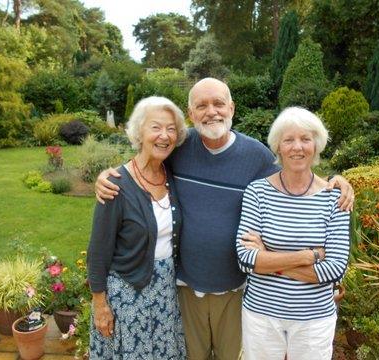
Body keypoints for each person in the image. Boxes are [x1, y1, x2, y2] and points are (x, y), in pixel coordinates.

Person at [95, 78, 354, 360]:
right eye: (202, 105)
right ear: (191, 113)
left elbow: (294, 173)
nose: (211, 112)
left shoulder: (257, 156)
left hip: (236, 291)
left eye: (218, 103)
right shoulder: (178, 147)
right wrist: (108, 175)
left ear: (232, 107)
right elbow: (146, 163)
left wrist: (336, 181)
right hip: (184, 290)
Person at [236, 106, 350, 360]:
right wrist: (308, 256)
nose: (297, 147)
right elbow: (245, 260)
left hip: (314, 319)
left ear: (316, 145)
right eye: (288, 140)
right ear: (278, 146)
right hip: (261, 315)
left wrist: (267, 257)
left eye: (305, 139)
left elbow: (335, 269)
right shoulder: (257, 192)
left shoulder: (335, 198)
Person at [87, 96, 188, 359]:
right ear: (139, 133)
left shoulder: (171, 173)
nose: (164, 135)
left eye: (171, 128)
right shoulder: (116, 185)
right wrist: (100, 304)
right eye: (155, 127)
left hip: (165, 293)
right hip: (128, 296)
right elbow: (98, 251)